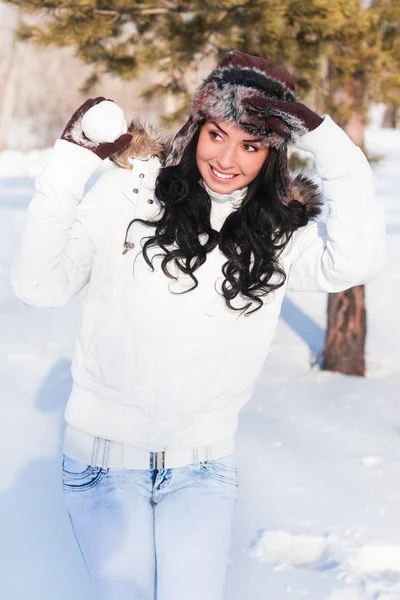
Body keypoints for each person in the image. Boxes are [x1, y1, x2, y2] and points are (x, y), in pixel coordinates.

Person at [11, 51, 386, 600]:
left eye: (252, 145)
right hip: (102, 465)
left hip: (203, 469)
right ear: (196, 127)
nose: (228, 158)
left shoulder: (275, 236)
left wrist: (324, 136)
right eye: (217, 134)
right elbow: (38, 286)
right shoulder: (134, 192)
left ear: (272, 154)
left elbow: (359, 259)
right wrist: (72, 159)